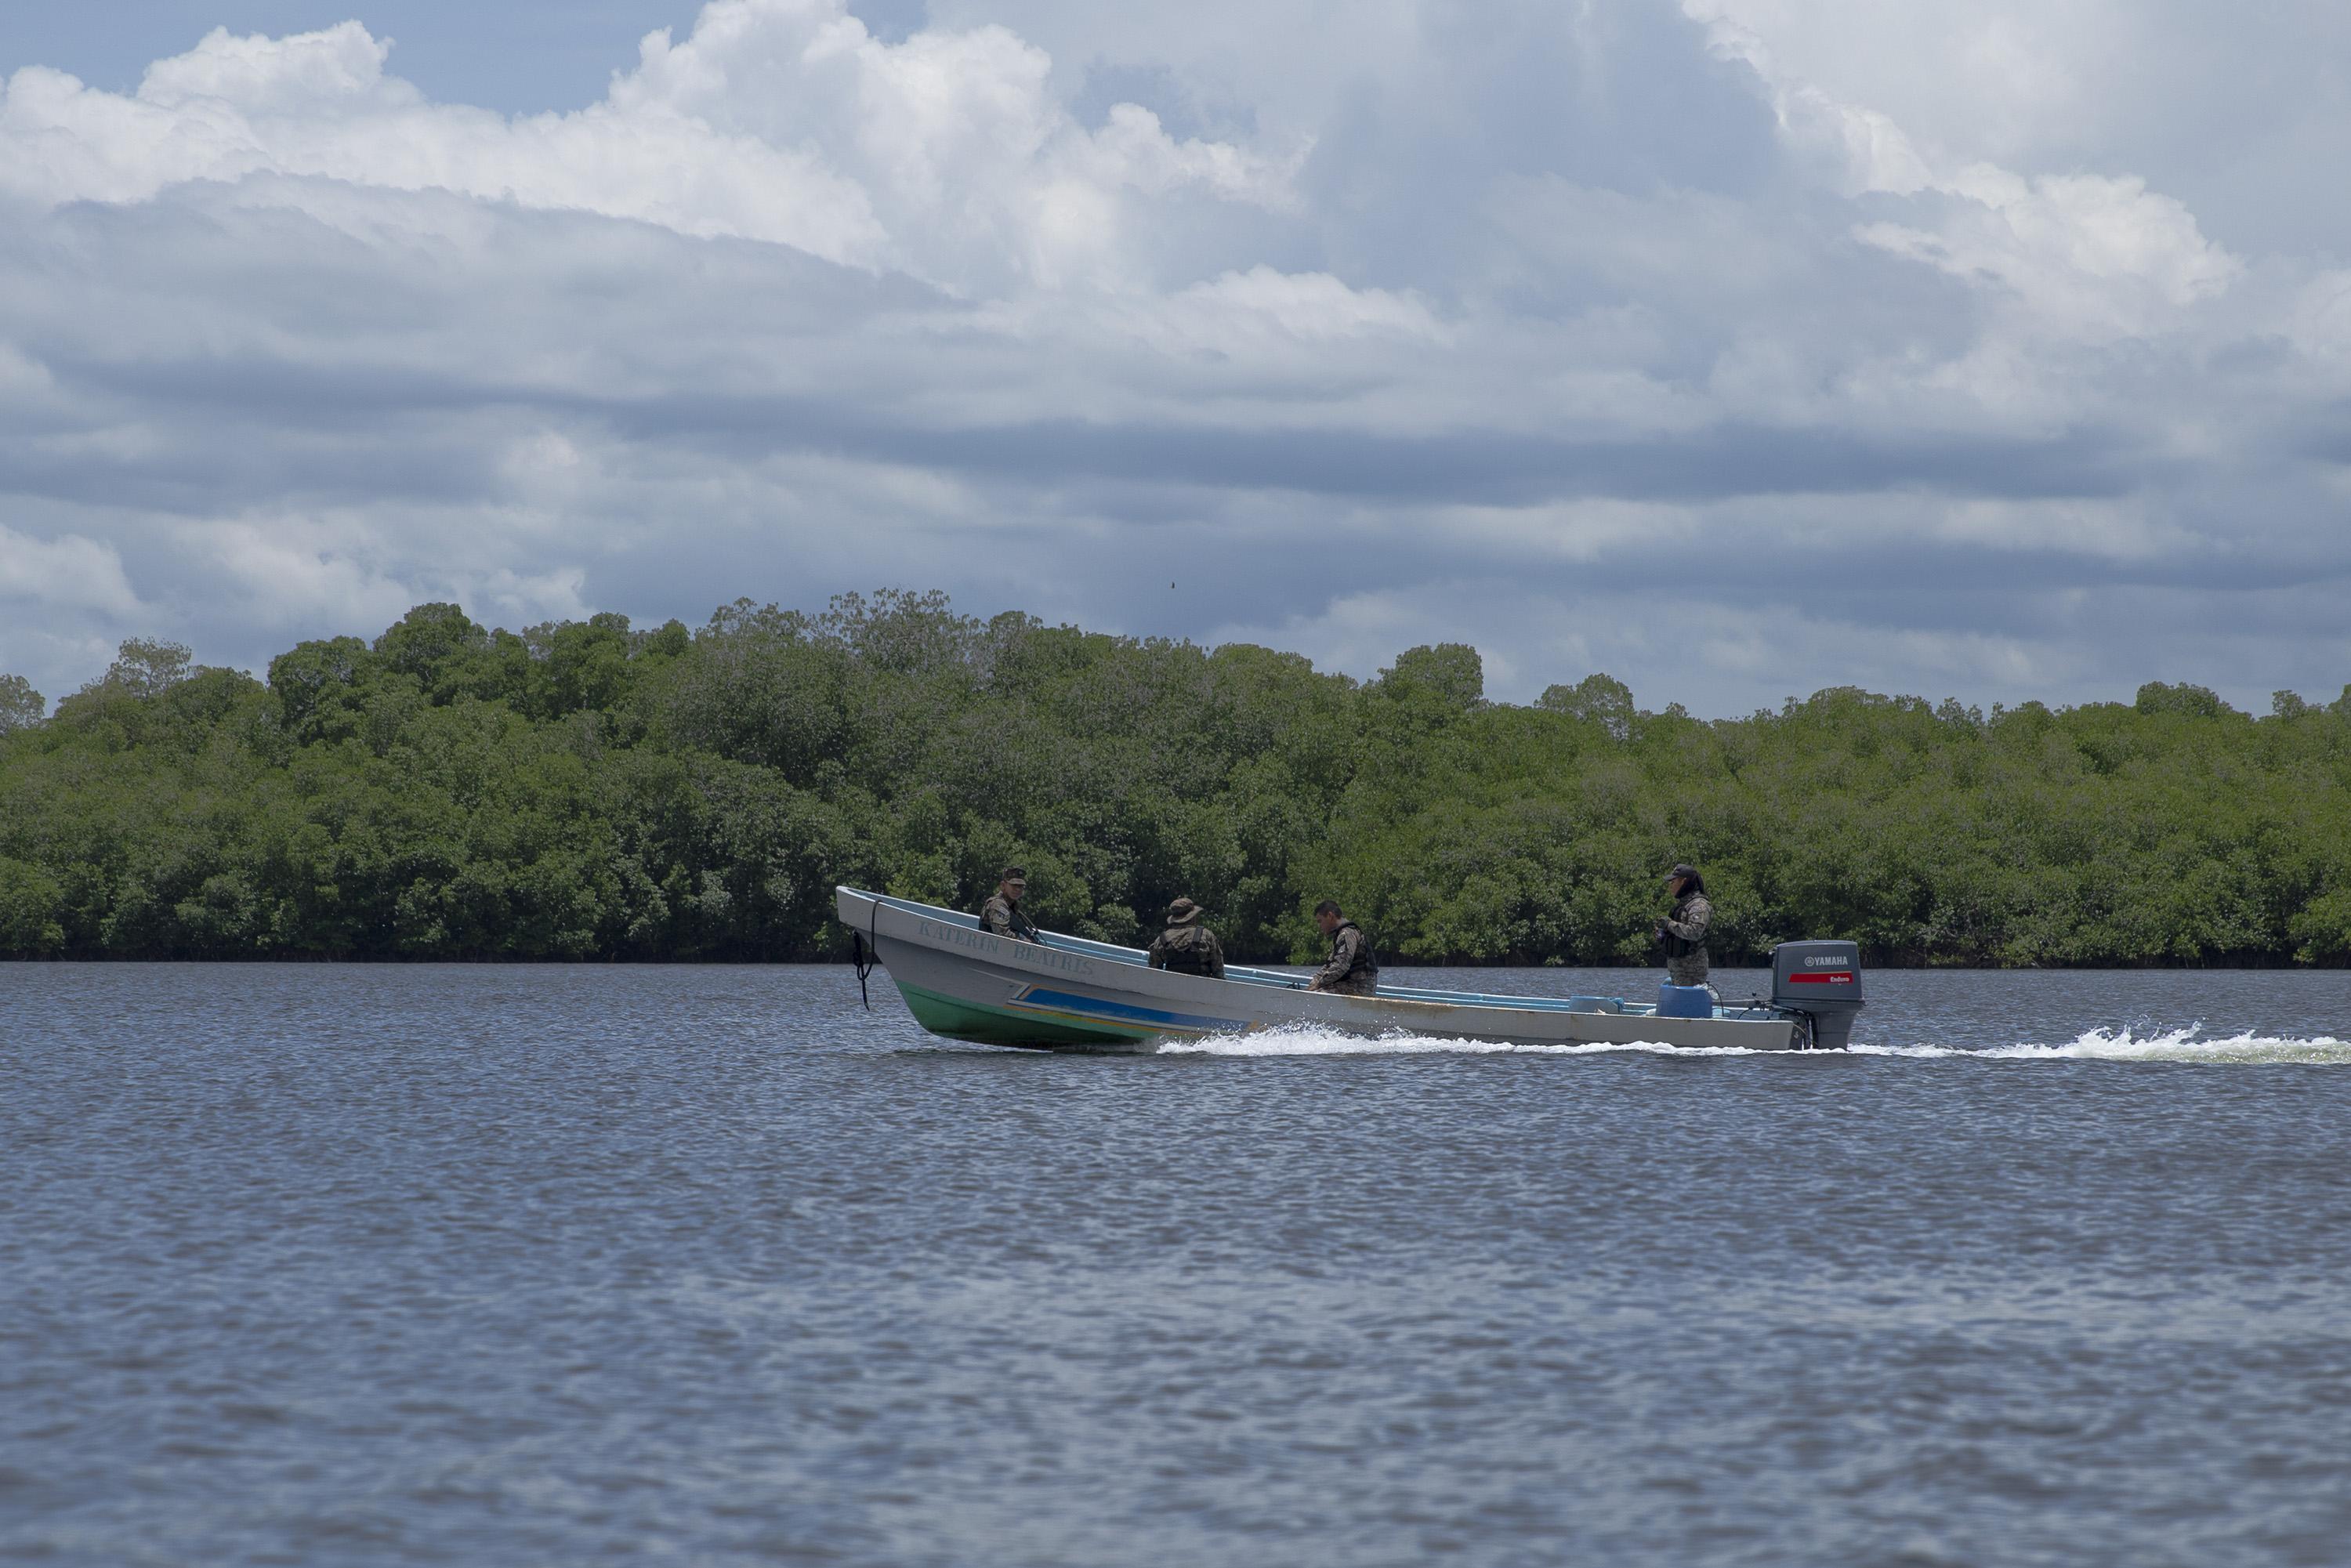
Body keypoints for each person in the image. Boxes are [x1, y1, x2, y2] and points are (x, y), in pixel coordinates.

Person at [1653, 862, 1712, 988]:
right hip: (1678, 970)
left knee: (1689, 1003)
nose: (1670, 887)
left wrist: (1669, 924)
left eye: (1673, 882)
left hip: (1691, 971)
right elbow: (1678, 932)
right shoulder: (1683, 905)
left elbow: (1694, 932)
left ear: (1683, 882)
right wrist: (1662, 935)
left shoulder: (1699, 906)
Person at [1307, 900, 1378, 995]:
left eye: (1320, 921)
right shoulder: (1341, 934)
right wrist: (1314, 982)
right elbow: (1330, 965)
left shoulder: (1347, 934)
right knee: (1312, 992)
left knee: (1317, 995)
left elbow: (1341, 966)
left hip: (1360, 987)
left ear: (1330, 916)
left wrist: (1318, 984)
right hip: (1351, 984)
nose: (1320, 926)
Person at [1147, 897, 1226, 977]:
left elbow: (1153, 973)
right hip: (1201, 987)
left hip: (1171, 986)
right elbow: (1218, 971)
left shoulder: (1162, 939)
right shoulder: (1206, 935)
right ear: (1192, 917)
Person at [977, 867, 1041, 942]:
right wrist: (1024, 941)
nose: (1017, 889)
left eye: (1020, 886)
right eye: (1014, 885)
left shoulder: (1013, 906)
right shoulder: (997, 905)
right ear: (1003, 885)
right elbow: (1002, 935)